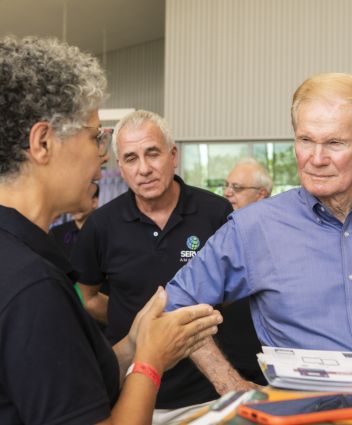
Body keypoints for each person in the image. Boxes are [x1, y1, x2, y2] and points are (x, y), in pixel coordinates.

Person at [0, 35, 222, 425]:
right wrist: (151, 361)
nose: (103, 157)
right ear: (43, 142)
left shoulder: (22, 257)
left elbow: (71, 382)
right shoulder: (33, 287)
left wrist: (135, 342)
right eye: (94, 136)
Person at [165, 72, 352, 395]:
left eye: (334, 143)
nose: (316, 159)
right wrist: (229, 383)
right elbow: (178, 302)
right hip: (303, 413)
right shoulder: (254, 228)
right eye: (305, 140)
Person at [72, 109, 233, 423]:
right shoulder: (101, 225)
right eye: (131, 158)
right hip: (130, 392)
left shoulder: (215, 213)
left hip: (205, 395)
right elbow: (87, 296)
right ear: (120, 167)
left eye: (152, 154)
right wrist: (142, 323)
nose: (143, 169)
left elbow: (234, 293)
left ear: (173, 156)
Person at [216, 158, 273, 385]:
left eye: (237, 188)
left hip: (267, 365)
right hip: (226, 365)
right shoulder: (218, 234)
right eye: (227, 185)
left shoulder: (280, 235)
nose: (228, 193)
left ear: (262, 194)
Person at [50, 183, 100, 259]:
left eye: (81, 200)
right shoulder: (56, 233)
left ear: (94, 202)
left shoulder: (106, 233)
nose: (76, 206)